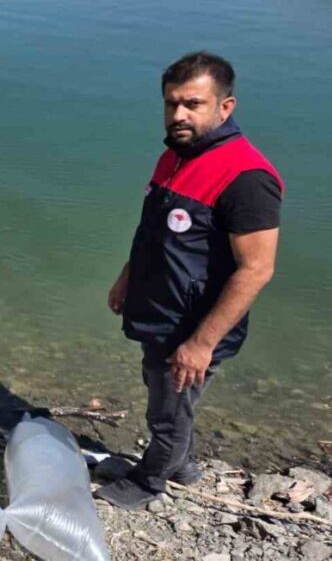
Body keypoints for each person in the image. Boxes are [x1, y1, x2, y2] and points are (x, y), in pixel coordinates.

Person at [97, 52, 282, 509]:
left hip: (195, 323)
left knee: (168, 407)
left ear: (225, 106)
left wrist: (202, 343)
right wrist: (127, 277)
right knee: (164, 393)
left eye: (192, 104)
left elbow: (257, 268)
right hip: (160, 308)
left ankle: (150, 481)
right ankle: (182, 465)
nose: (178, 115)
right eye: (170, 103)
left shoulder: (247, 177)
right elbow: (156, 232)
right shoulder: (175, 156)